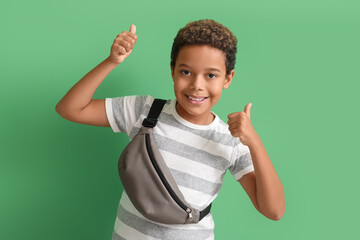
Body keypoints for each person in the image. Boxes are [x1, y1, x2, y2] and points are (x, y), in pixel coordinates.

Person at [55, 19, 285, 240]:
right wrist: (111, 62)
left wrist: (254, 142)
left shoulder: (231, 140)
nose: (197, 85)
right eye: (186, 72)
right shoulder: (143, 111)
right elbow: (70, 109)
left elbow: (273, 211)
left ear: (228, 78)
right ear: (173, 70)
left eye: (211, 75)